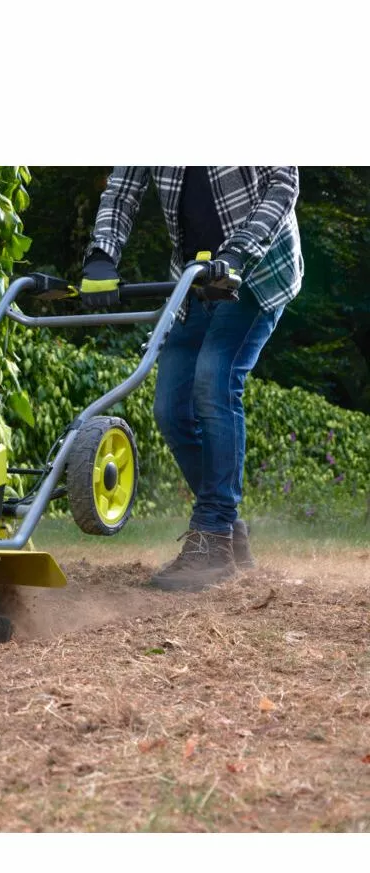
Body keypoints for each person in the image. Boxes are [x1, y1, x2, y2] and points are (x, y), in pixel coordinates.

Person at [80, 167, 303, 591]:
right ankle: (228, 530)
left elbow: (283, 183)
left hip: (256, 270)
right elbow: (122, 191)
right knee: (171, 409)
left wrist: (238, 251)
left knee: (214, 381)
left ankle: (213, 534)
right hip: (196, 278)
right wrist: (102, 255)